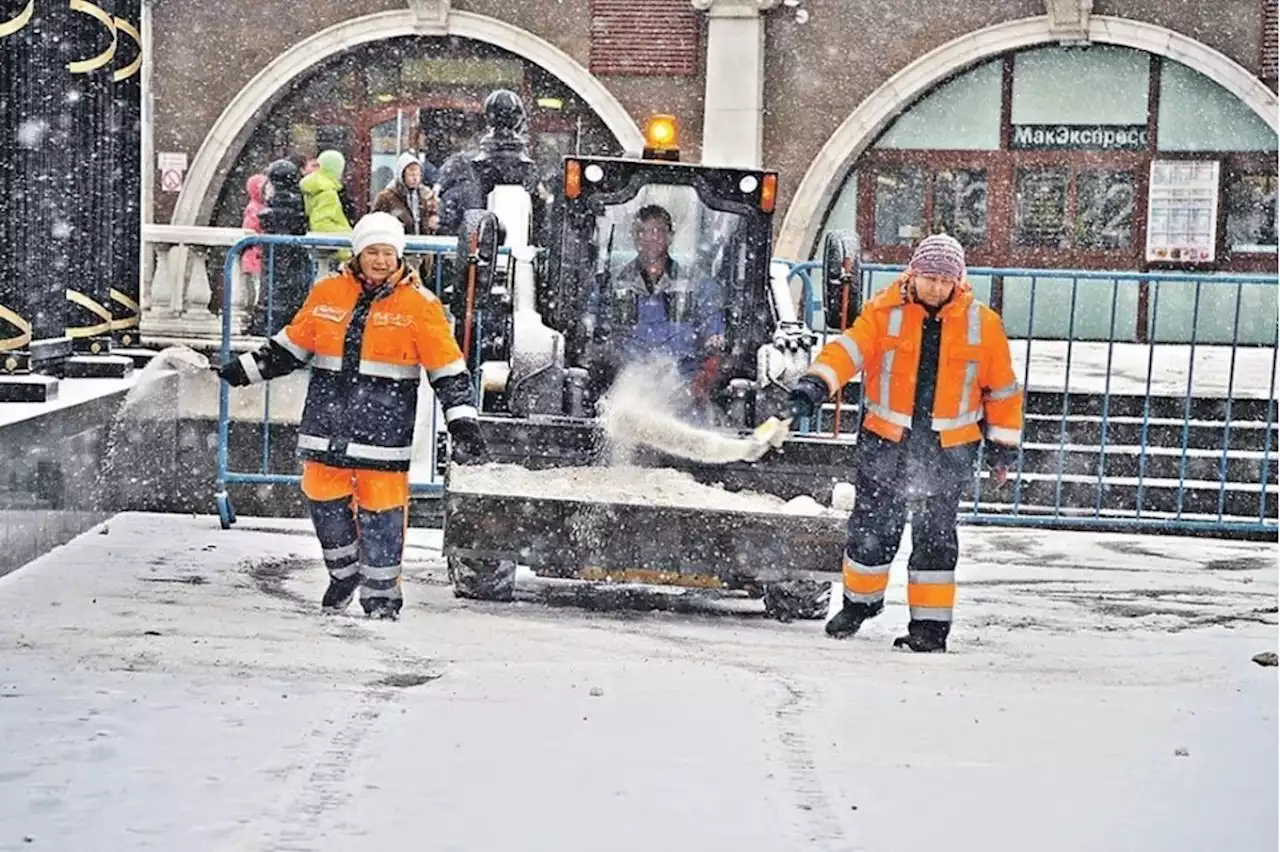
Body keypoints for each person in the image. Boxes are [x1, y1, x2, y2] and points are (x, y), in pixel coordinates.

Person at [215, 212, 489, 620]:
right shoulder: (327, 293)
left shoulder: (421, 307)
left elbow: (448, 369)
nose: (380, 260)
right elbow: (290, 347)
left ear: (400, 256)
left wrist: (462, 421)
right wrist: (243, 370)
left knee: (383, 518)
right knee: (325, 507)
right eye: (372, 252)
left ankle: (381, 600)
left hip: (383, 435)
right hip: (325, 432)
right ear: (357, 254)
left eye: (388, 253)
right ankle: (343, 574)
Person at [775, 233, 1023, 652]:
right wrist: (815, 385)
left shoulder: (983, 325)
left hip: (948, 452)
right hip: (885, 444)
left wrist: (1002, 449)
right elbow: (848, 351)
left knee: (936, 541)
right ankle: (860, 604)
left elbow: (1001, 392)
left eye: (945, 281)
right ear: (913, 273)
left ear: (958, 282)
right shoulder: (883, 312)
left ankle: (929, 629)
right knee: (871, 532)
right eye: (929, 278)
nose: (936, 288)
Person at [591, 204, 726, 389]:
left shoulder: (697, 285)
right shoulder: (611, 284)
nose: (649, 238)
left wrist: (704, 374)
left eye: (657, 231)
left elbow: (714, 332)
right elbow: (593, 332)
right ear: (633, 237)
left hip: (683, 386)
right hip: (625, 386)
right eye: (641, 232)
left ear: (670, 237)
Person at [300, 149, 353, 274]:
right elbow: (321, 224)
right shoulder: (328, 192)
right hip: (330, 252)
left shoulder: (314, 186)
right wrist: (347, 239)